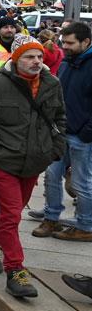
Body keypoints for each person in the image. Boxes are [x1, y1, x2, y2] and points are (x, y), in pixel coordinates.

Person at [0, 35, 66, 298]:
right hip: (3, 160)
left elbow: (59, 118)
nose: (36, 61)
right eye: (29, 57)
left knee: (12, 213)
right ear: (16, 58)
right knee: (12, 215)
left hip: (35, 161)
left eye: (39, 57)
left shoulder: (51, 83)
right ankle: (16, 271)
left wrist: (56, 147)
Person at [32, 21, 92, 242]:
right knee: (51, 174)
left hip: (82, 136)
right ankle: (51, 217)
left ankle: (86, 225)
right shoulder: (67, 62)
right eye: (63, 42)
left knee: (81, 183)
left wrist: (87, 132)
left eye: (70, 43)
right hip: (60, 131)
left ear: (85, 42)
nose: (64, 46)